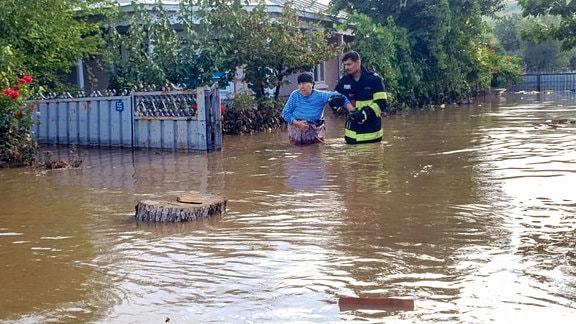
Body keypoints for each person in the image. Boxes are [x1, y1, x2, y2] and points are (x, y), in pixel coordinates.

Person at [282, 72, 352, 145]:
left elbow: (342, 97)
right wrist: (297, 124)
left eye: (304, 83)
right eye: (299, 84)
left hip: (314, 129)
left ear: (312, 84)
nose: (302, 87)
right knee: (297, 151)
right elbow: (285, 113)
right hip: (296, 129)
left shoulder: (321, 95)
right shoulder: (295, 95)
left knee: (316, 151)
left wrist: (352, 111)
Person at [334, 50, 388, 144]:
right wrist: (334, 104)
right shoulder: (343, 81)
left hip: (371, 136)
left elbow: (382, 102)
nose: (346, 68)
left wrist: (364, 114)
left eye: (349, 64)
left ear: (358, 62)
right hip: (351, 137)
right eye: (345, 65)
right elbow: (336, 105)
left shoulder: (374, 80)